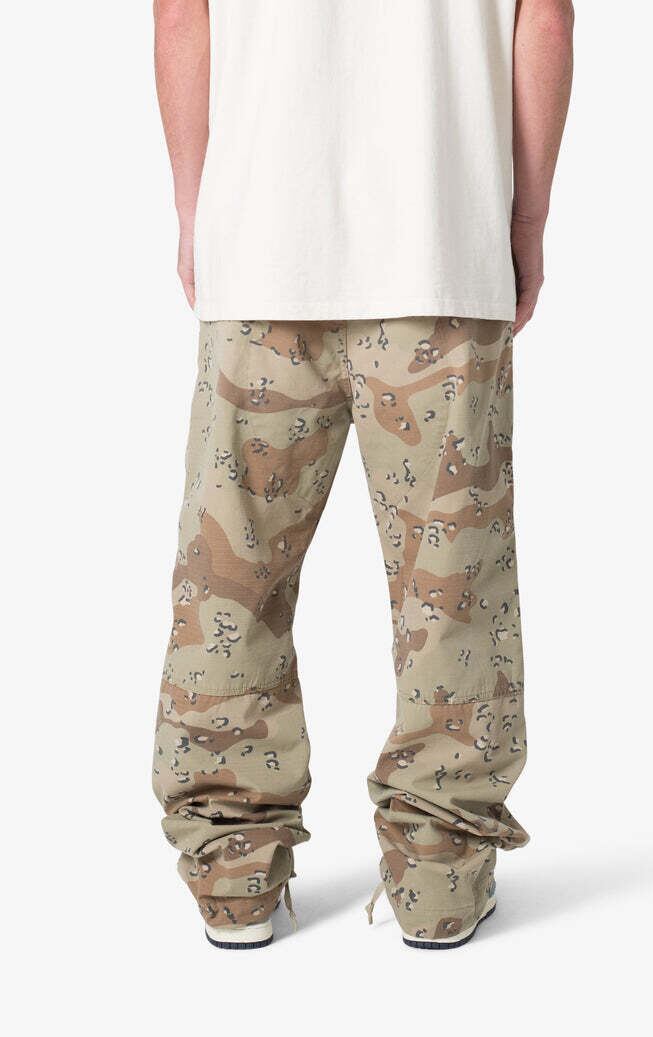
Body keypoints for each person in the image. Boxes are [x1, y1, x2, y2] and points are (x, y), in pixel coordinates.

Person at [151, 0, 574, 951]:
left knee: (230, 581)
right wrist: (525, 216)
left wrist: (196, 209)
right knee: (452, 586)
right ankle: (440, 878)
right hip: (442, 245)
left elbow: (181, 15)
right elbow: (543, 20)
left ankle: (233, 878)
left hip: (260, 248)